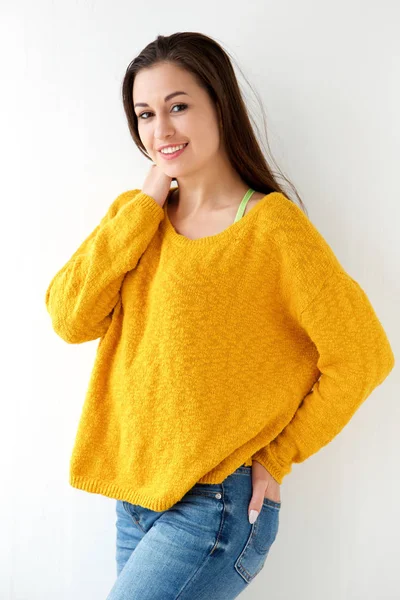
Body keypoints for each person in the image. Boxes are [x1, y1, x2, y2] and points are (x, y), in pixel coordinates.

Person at [44, 32, 395, 599]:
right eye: (145, 114)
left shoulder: (271, 228)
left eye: (178, 106)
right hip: (134, 499)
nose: (161, 131)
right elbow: (69, 318)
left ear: (219, 105)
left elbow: (364, 355)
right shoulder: (137, 218)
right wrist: (148, 198)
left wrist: (277, 457)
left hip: (216, 505)